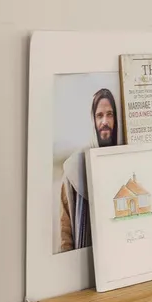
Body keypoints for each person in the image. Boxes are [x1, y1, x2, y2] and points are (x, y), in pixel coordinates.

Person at [59, 86, 121, 251]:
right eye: (99, 116)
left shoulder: (125, 159)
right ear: (93, 121)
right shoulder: (74, 168)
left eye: (110, 114)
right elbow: (66, 235)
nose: (105, 122)